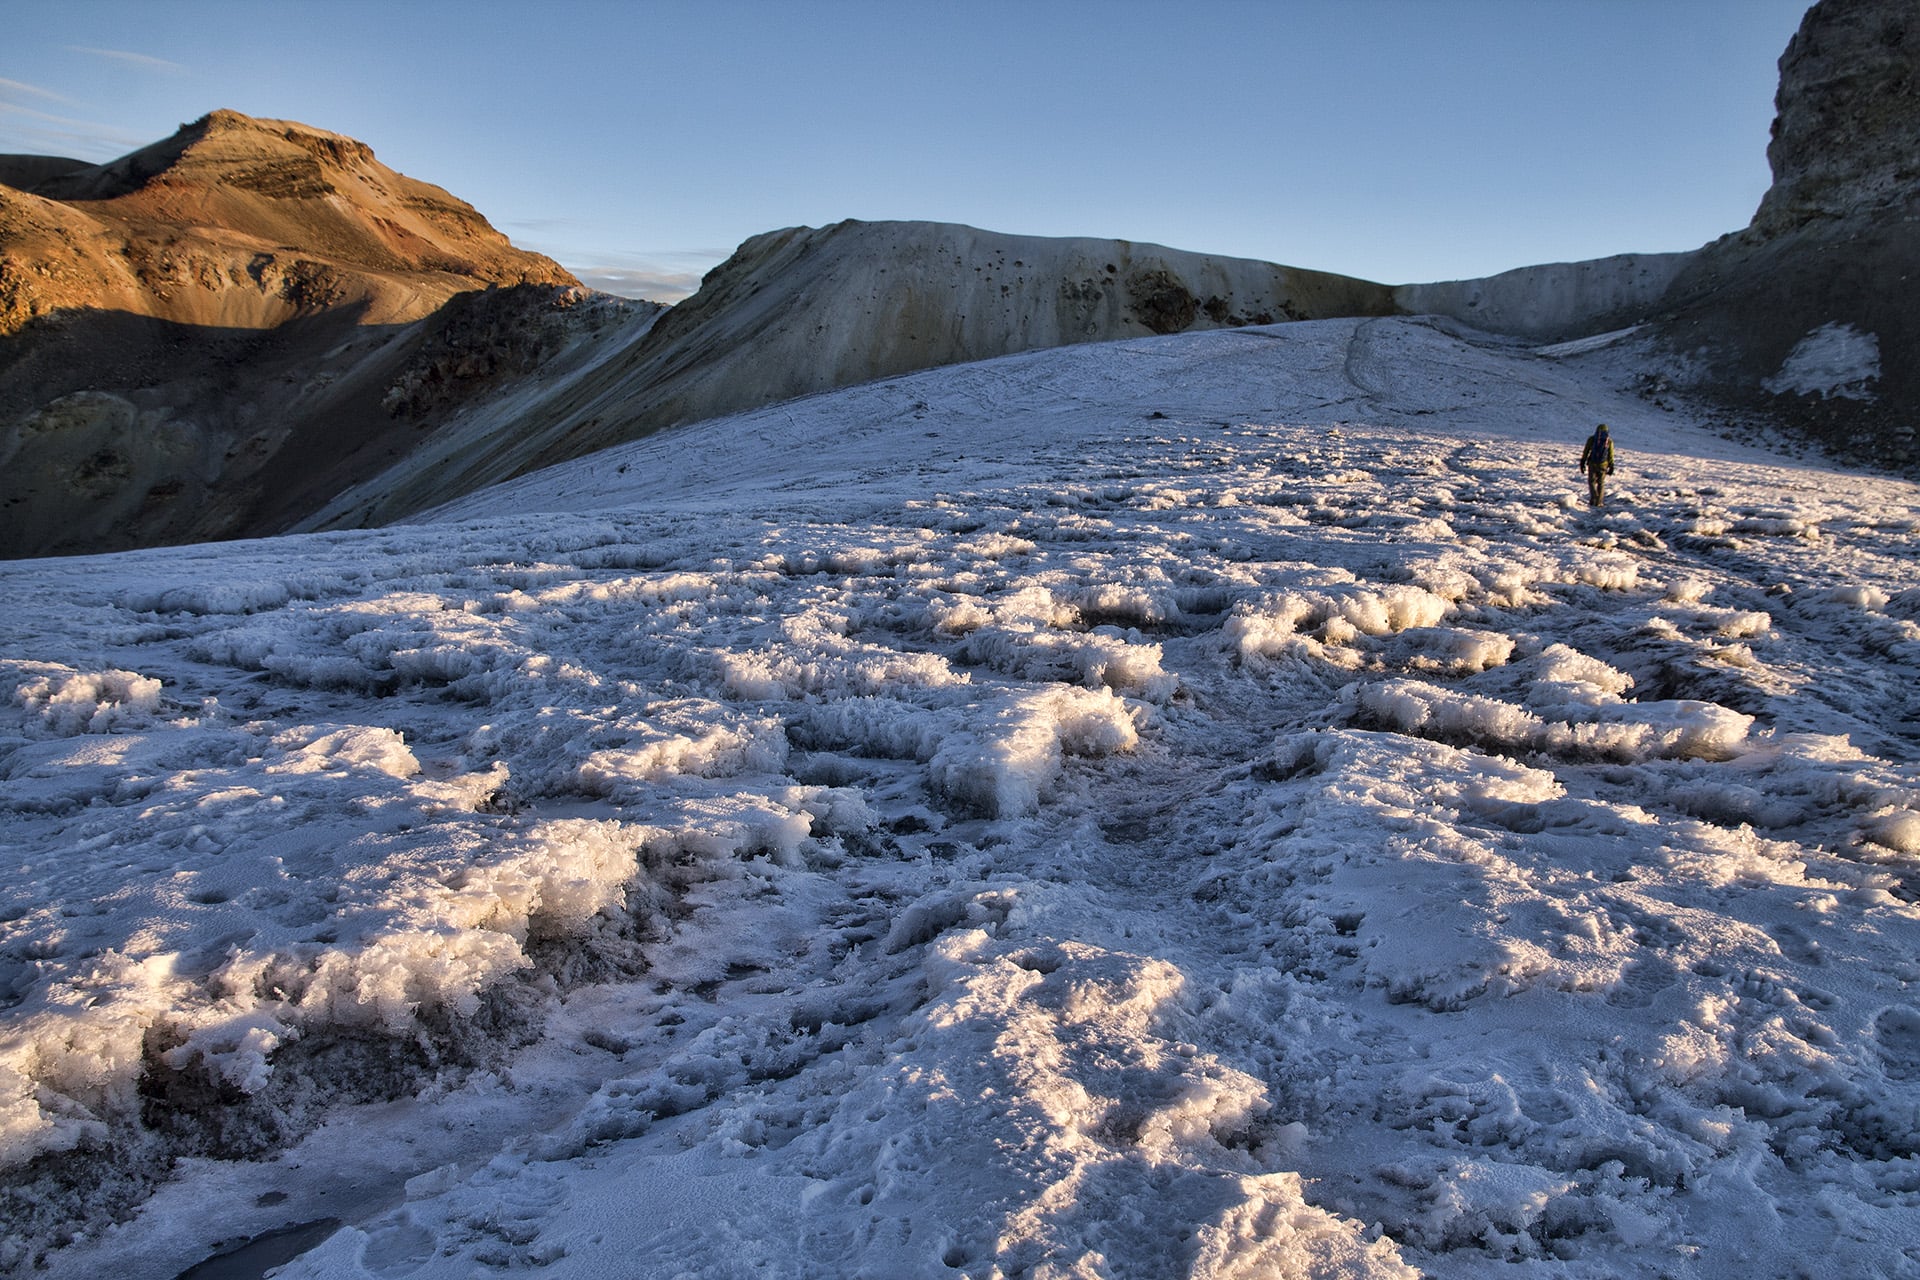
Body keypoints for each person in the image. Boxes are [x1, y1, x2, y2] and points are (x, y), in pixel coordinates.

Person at [1579, 423, 1615, 506]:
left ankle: (1593, 498)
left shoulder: (1592, 439)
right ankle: (1599, 502)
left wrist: (1582, 462)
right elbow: (1611, 455)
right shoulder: (1609, 441)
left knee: (1591, 482)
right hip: (1603, 464)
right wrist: (1611, 465)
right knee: (1601, 483)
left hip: (1592, 463)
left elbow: (1586, 451)